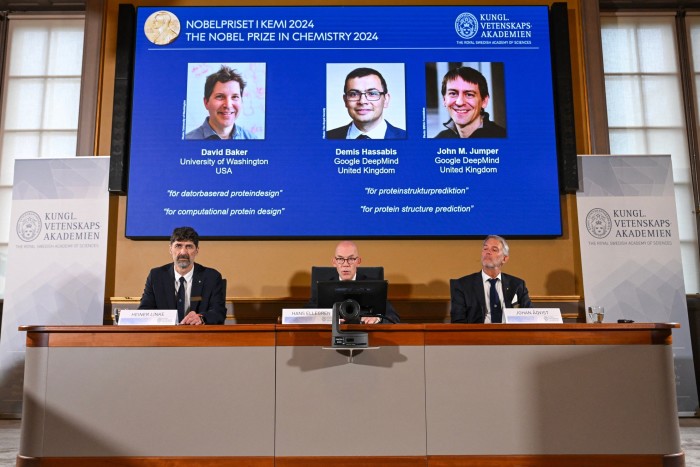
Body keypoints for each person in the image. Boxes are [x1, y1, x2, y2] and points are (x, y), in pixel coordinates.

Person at [139, 226, 227, 325]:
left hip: (199, 336)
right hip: (164, 336)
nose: (183, 252)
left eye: (189, 246)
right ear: (170, 249)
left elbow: (219, 313)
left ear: (197, 250)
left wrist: (201, 318)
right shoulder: (156, 276)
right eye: (178, 246)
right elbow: (144, 311)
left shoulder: (211, 277)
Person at [306, 240, 401, 323]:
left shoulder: (372, 286)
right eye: (340, 259)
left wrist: (378, 319)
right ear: (334, 262)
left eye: (351, 259)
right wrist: (326, 319)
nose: (346, 264)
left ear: (358, 261)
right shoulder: (323, 288)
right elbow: (306, 316)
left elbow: (393, 317)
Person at [450, 235, 531, 323]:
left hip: (510, 334)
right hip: (477, 334)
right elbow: (458, 322)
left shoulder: (517, 285)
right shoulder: (463, 285)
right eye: (485, 249)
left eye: (494, 249)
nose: (488, 252)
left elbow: (531, 317)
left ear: (504, 258)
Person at [326, 67, 407, 140]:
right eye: (354, 94)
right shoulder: (327, 137)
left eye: (372, 93)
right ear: (345, 101)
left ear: (386, 100)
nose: (362, 101)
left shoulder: (407, 138)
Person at [185, 65, 256, 140]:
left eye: (235, 97)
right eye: (220, 97)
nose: (228, 105)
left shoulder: (253, 140)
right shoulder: (188, 142)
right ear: (206, 102)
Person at [434, 66, 506, 139]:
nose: (460, 102)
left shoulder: (502, 138)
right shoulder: (439, 140)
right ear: (444, 100)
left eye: (469, 94)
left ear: (484, 101)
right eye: (453, 94)